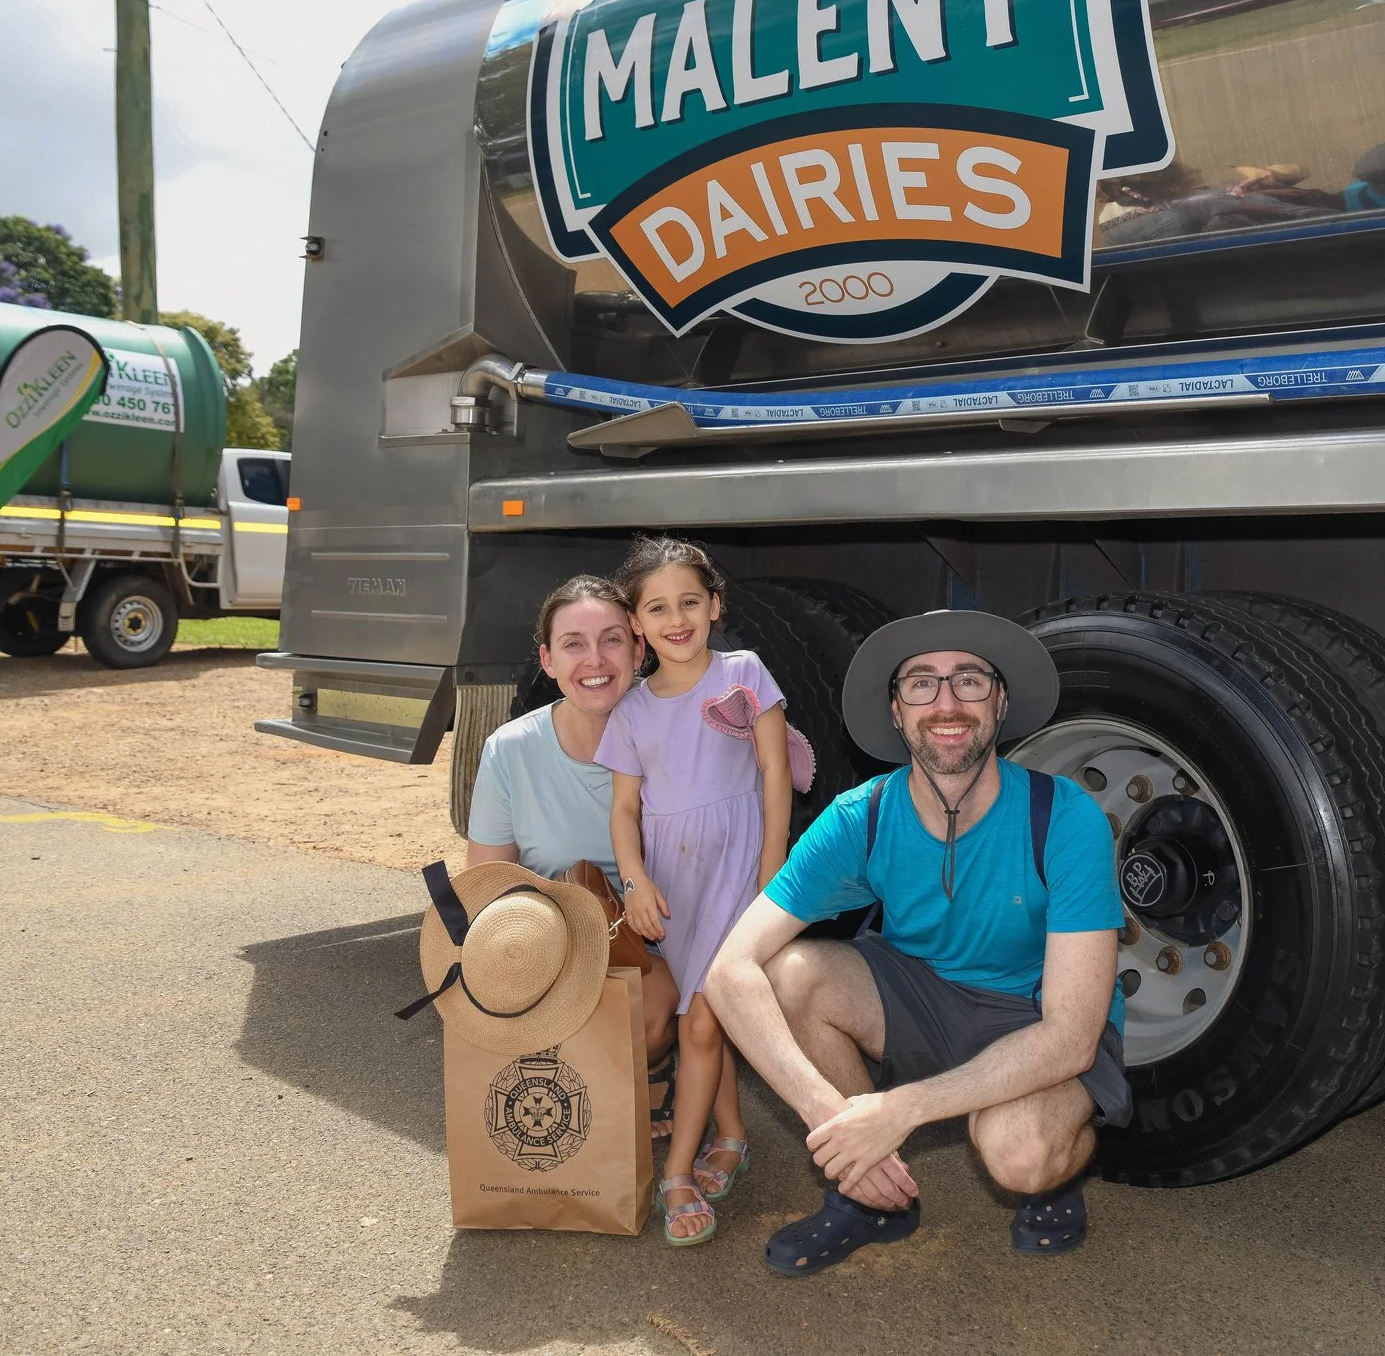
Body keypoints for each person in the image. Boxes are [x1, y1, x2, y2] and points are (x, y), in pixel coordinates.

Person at [705, 609, 1128, 1276]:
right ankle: (866, 1195)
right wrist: (838, 1120)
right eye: (922, 683)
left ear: (1001, 701)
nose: (947, 703)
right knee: (790, 974)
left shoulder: (1065, 816)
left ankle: (1057, 1173)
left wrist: (903, 1108)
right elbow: (728, 970)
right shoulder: (863, 816)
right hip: (922, 998)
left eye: (969, 680)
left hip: (1036, 1014)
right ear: (897, 712)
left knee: (1021, 1155)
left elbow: (1072, 1035)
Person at [600, 537, 795, 1247]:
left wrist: (772, 869)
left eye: (689, 601)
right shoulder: (631, 710)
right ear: (637, 623)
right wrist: (634, 880)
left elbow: (775, 772)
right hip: (672, 883)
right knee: (699, 1015)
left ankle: (676, 1172)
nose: (675, 618)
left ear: (715, 605)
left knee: (703, 1021)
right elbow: (625, 809)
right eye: (657, 608)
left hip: (740, 869)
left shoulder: (744, 673)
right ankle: (732, 1134)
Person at [460, 575, 680, 1138]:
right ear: (548, 661)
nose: (595, 660)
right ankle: (583, 1089)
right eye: (573, 644)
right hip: (551, 936)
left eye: (612, 640)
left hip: (654, 937)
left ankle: (653, 1066)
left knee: (651, 1010)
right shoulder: (511, 749)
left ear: (639, 650)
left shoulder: (678, 736)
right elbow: (486, 885)